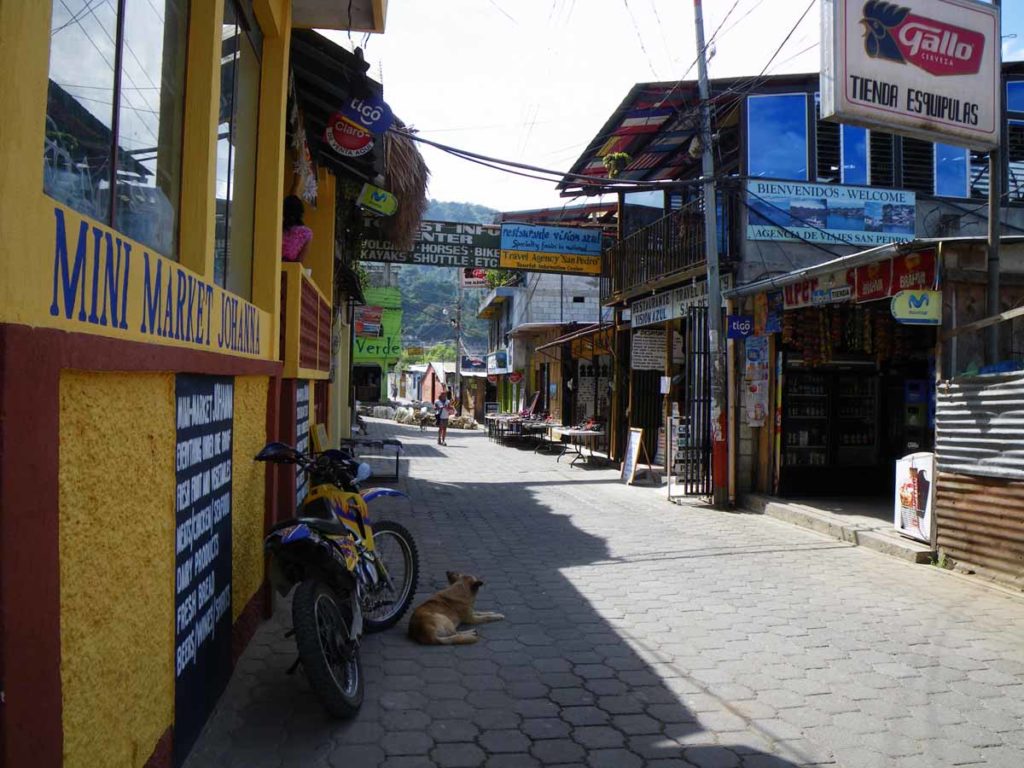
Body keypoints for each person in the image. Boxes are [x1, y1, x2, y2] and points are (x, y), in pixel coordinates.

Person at [281, 194, 313, 263]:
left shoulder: (278, 227)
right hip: (290, 271)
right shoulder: (306, 234)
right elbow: (300, 260)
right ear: (301, 212)